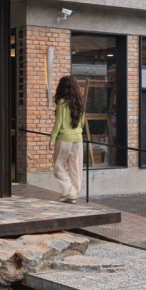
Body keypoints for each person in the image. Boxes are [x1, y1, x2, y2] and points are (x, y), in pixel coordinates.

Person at [49, 75, 85, 203]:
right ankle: (74, 195)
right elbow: (82, 123)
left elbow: (58, 123)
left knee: (58, 166)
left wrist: (52, 139)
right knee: (76, 168)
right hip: (78, 139)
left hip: (64, 139)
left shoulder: (62, 102)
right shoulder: (80, 102)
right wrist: (78, 132)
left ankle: (69, 192)